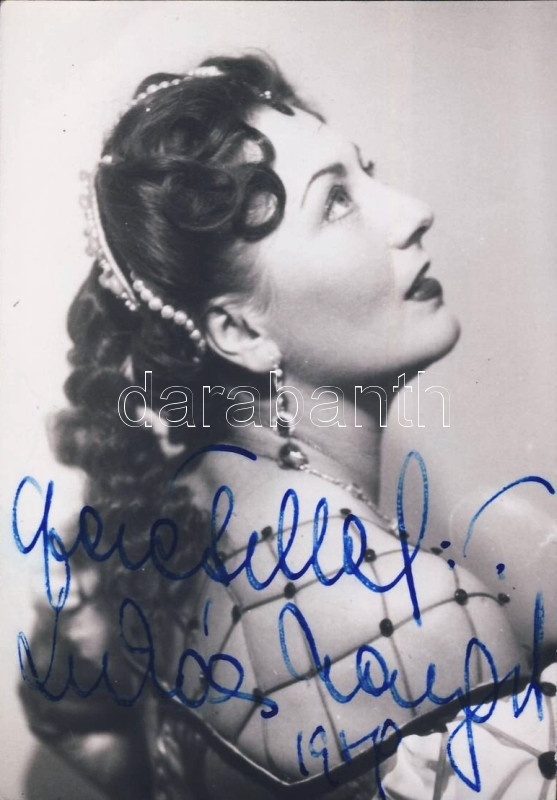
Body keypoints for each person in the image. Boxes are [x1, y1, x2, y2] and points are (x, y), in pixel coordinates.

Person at [19, 53, 556, 800]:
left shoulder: (167, 508)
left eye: (366, 172)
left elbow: (64, 715)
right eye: (335, 201)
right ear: (239, 330)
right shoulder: (415, 615)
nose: (411, 211)